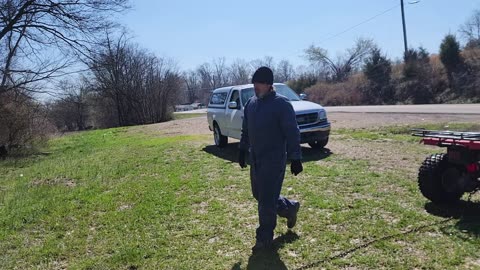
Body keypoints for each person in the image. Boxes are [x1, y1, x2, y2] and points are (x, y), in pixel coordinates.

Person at [238, 66, 303, 253]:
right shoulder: (251, 103)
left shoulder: (281, 104)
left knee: (266, 201)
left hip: (274, 161)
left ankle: (264, 238)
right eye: (254, 84)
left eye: (258, 84)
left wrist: (296, 157)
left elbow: (292, 132)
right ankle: (290, 208)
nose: (255, 87)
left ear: (268, 84)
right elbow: (246, 130)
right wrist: (242, 150)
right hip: (256, 159)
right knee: (260, 195)